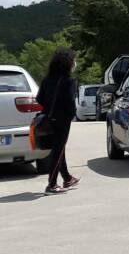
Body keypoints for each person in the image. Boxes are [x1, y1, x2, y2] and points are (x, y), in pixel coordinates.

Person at [36, 49, 80, 195]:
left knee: (59, 149)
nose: (75, 63)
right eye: (73, 60)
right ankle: (52, 184)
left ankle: (67, 178)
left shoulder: (46, 80)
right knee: (58, 150)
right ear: (68, 64)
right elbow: (70, 102)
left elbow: (39, 99)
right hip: (62, 121)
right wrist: (70, 116)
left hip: (48, 119)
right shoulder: (69, 81)